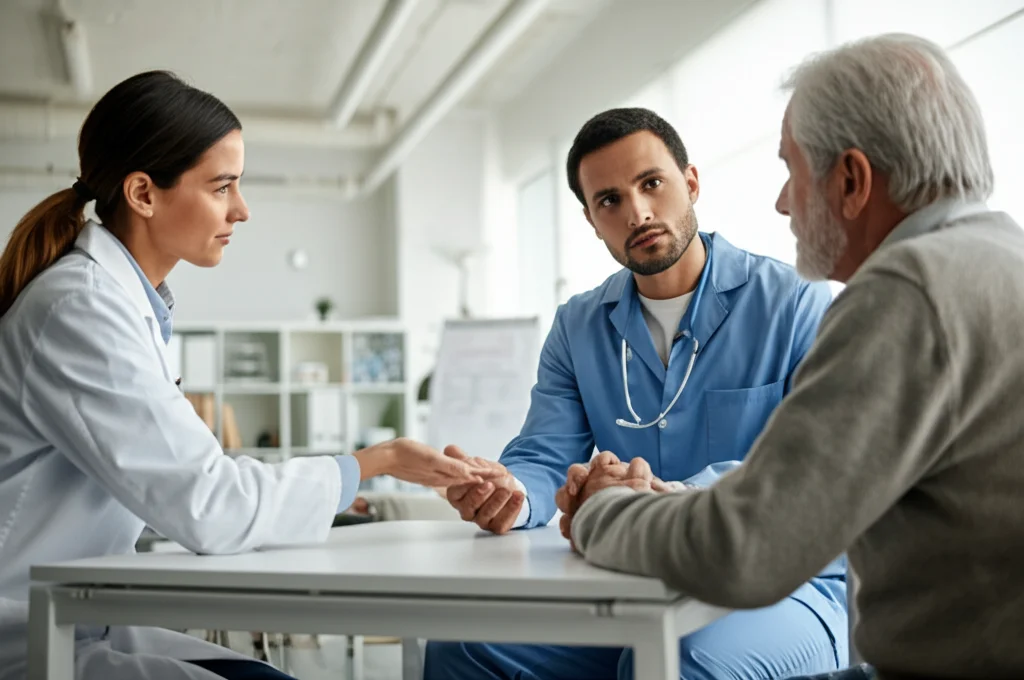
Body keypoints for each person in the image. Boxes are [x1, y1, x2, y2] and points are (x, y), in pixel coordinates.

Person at [0, 71, 496, 680]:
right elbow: (208, 504)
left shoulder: (123, 302)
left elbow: (177, 483)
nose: (242, 208)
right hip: (29, 635)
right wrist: (374, 461)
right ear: (143, 193)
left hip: (80, 620)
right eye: (222, 186)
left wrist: (337, 492)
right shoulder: (80, 307)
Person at [565, 33, 1024, 680]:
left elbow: (744, 547)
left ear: (852, 180)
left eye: (791, 169)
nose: (783, 201)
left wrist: (599, 512)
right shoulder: (999, 257)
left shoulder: (907, 292)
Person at [426, 108, 846, 680]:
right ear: (592, 220)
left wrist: (655, 495)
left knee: (677, 662)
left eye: (652, 184)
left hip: (786, 583)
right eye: (610, 201)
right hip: (635, 577)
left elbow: (812, 470)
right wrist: (512, 492)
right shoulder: (578, 326)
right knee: (463, 647)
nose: (638, 212)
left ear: (690, 182)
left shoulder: (795, 303)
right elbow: (546, 453)